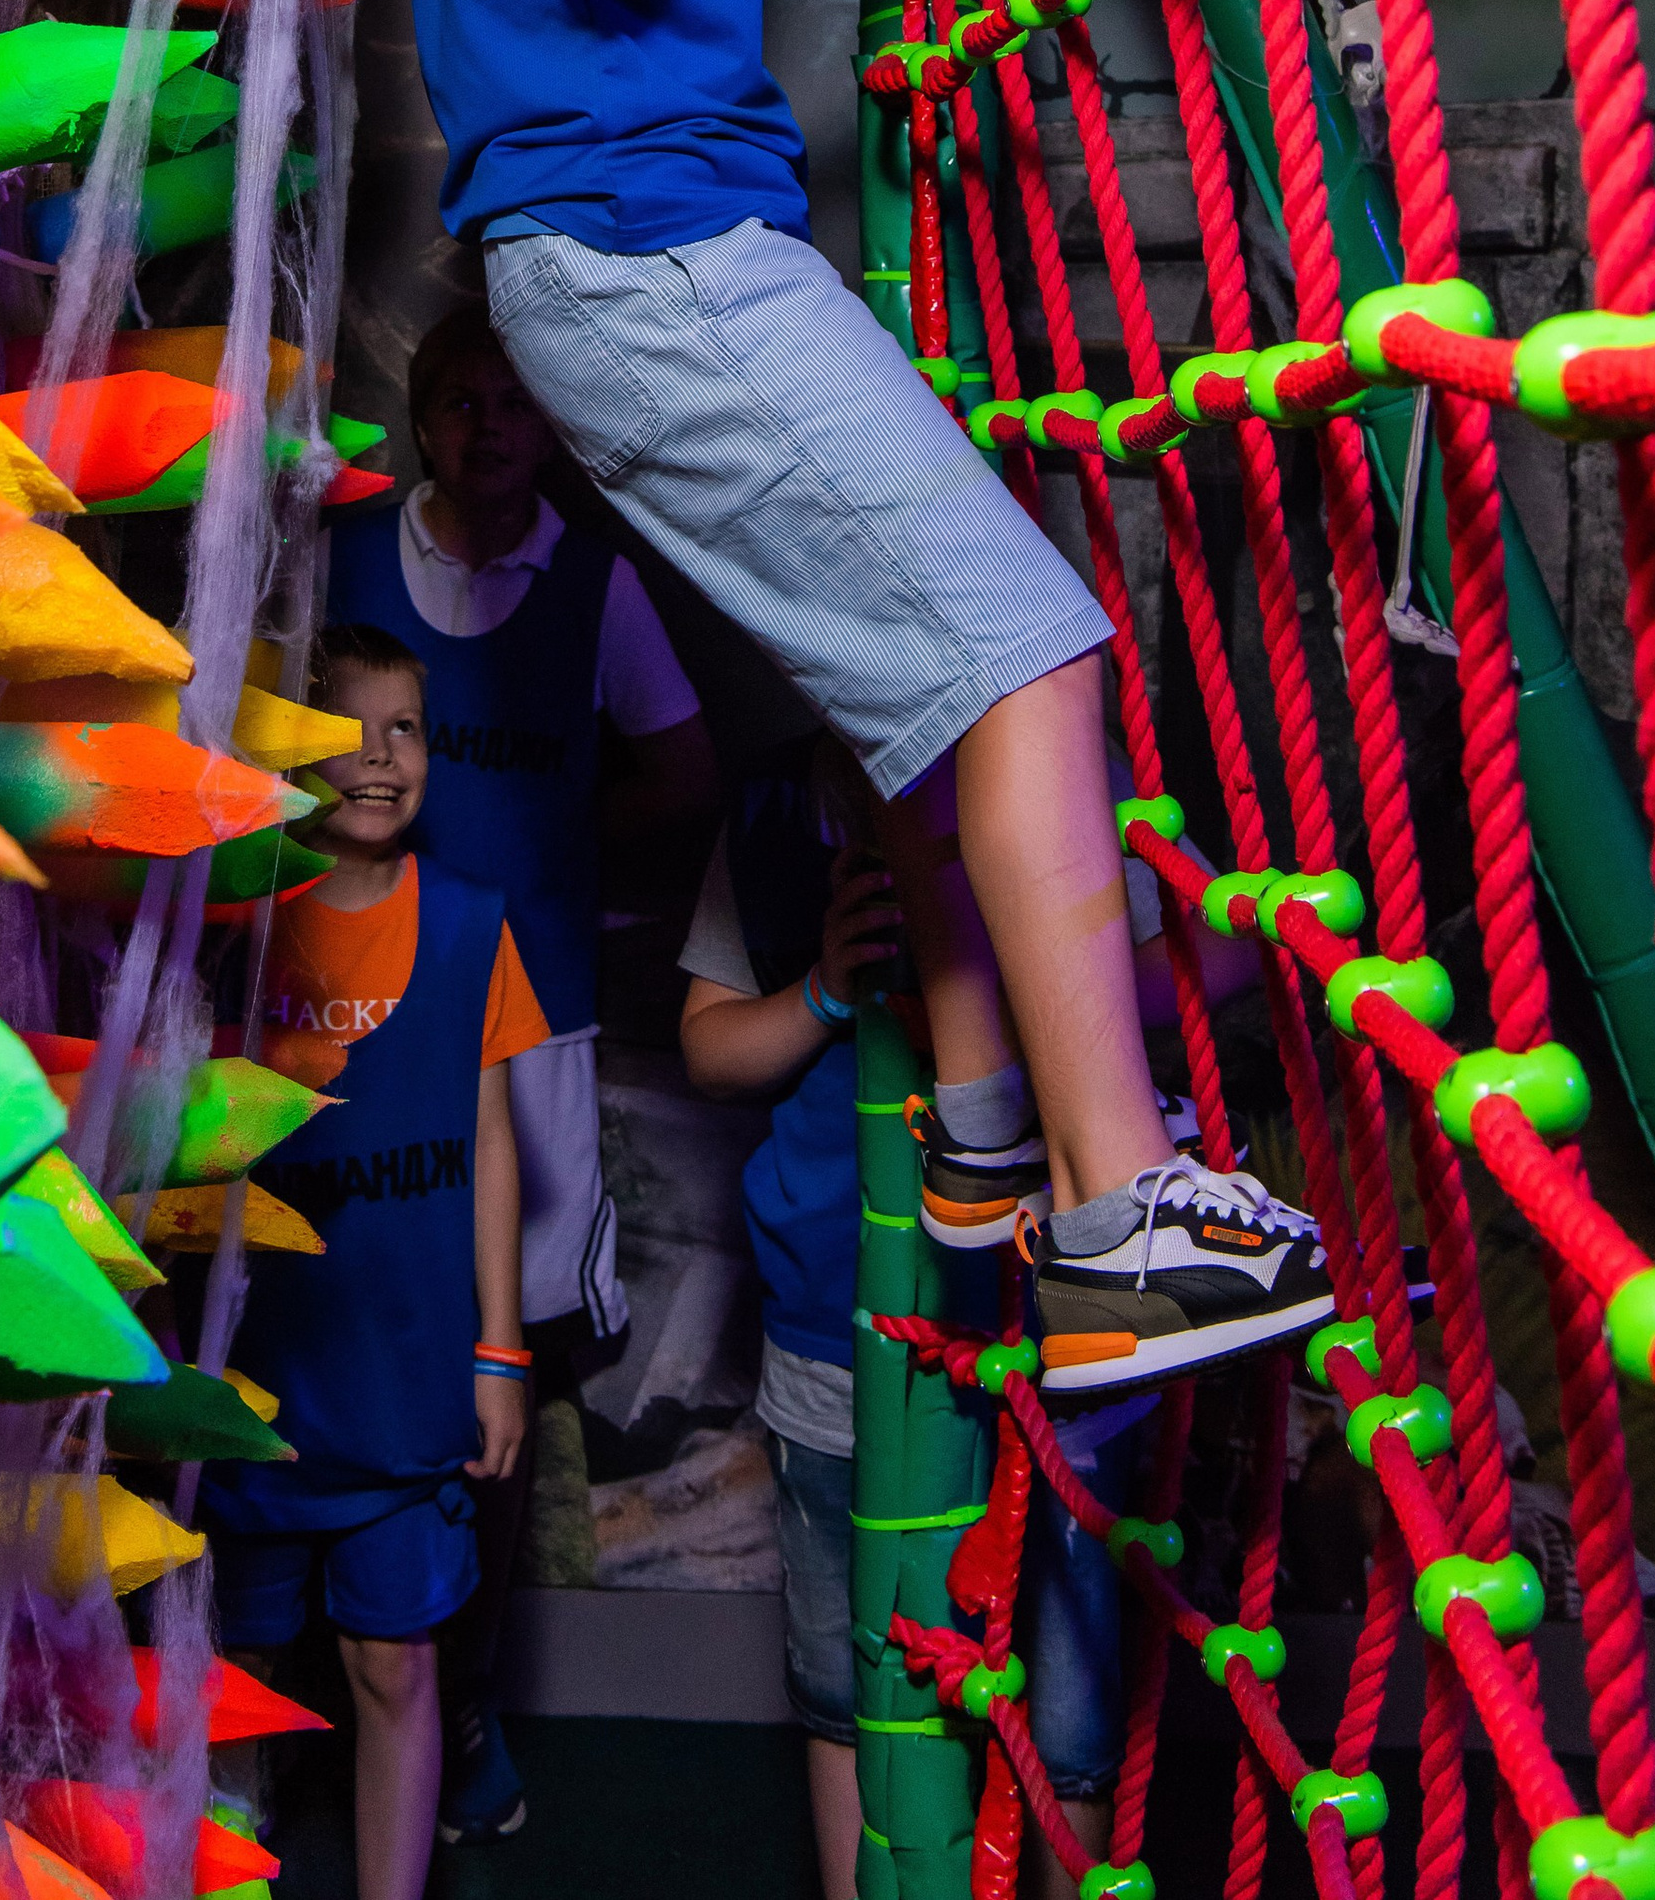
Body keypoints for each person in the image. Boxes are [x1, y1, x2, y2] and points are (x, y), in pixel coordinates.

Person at [405, 0, 1328, 1389]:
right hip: (654, 252)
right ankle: (1120, 1221)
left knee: (916, 699)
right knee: (1025, 659)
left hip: (614, 266)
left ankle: (988, 1136)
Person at [679, 747, 1249, 1900]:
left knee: (1069, 1705)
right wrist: (824, 989)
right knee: (850, 1685)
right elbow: (709, 1046)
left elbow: (1219, 955)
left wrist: (1026, 970)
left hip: (1052, 1327)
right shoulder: (777, 809)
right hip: (838, 1329)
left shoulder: (1060, 768)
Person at [329, 301, 720, 1841]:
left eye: (515, 401)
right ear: (424, 418)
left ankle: (463, 1689)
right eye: (460, 400)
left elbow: (683, 769)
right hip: (341, 1006)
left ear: (551, 422)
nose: (488, 427)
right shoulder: (346, 553)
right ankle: (320, 1699)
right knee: (324, 1321)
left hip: (530, 1017)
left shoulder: (594, 580)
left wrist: (551, 848)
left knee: (496, 1367)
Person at [201, 622, 547, 1900]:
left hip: (409, 1386)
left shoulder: (467, 923)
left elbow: (494, 1143)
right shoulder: (234, 922)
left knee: (397, 1663)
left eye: (406, 729)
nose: (383, 757)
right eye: (349, 731)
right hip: (259, 1383)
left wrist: (500, 1351)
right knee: (236, 1670)